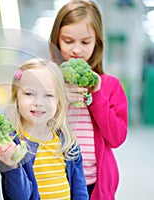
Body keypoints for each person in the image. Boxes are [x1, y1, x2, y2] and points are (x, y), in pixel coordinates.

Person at [49, 0, 128, 199]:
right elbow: (34, 127)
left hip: (96, 184)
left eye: (85, 42)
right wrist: (58, 97)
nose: (77, 50)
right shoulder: (48, 81)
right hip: (56, 180)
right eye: (68, 41)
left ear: (97, 43)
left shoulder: (110, 86)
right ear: (56, 40)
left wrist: (97, 96)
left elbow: (117, 138)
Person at [0, 58, 88, 200]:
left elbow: (80, 192)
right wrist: (12, 166)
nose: (38, 102)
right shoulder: (12, 145)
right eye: (29, 94)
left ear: (59, 102)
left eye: (48, 95)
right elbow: (19, 197)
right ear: (16, 97)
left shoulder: (68, 143)